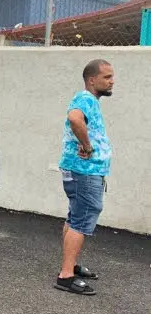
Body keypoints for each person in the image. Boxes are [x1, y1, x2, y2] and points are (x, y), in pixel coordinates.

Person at [55, 59, 115, 296]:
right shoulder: (85, 99)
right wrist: (87, 147)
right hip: (85, 171)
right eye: (107, 77)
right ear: (92, 80)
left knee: (75, 217)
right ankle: (66, 276)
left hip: (81, 170)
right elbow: (74, 118)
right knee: (83, 218)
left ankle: (70, 265)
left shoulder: (89, 101)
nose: (112, 81)